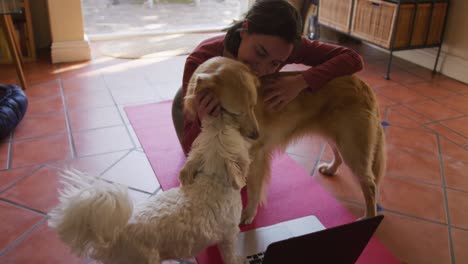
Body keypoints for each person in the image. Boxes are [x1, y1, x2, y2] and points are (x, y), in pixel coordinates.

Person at [172, 0, 363, 156]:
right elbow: (191, 148)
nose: (261, 70)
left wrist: (301, 82)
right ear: (245, 30)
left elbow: (352, 59)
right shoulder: (201, 59)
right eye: (260, 52)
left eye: (275, 63)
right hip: (186, 107)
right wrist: (201, 120)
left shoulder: (287, 48)